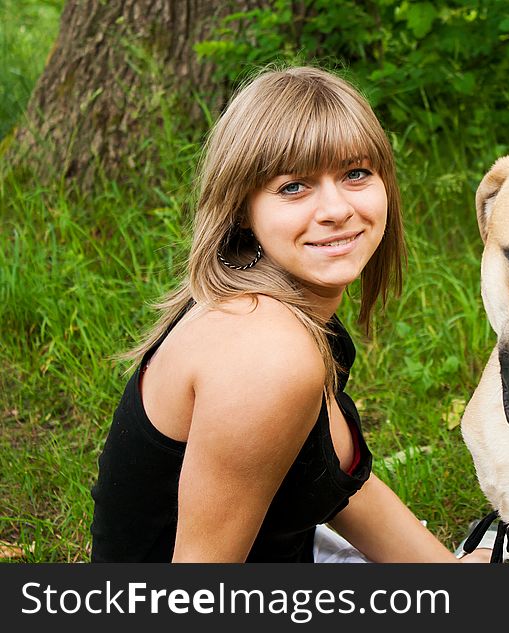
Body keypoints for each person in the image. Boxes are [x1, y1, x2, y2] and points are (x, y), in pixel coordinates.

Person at [90, 65, 482, 563]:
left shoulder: (291, 313)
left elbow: (337, 484)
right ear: (241, 208)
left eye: (355, 173)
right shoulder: (265, 353)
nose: (336, 208)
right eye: (294, 187)